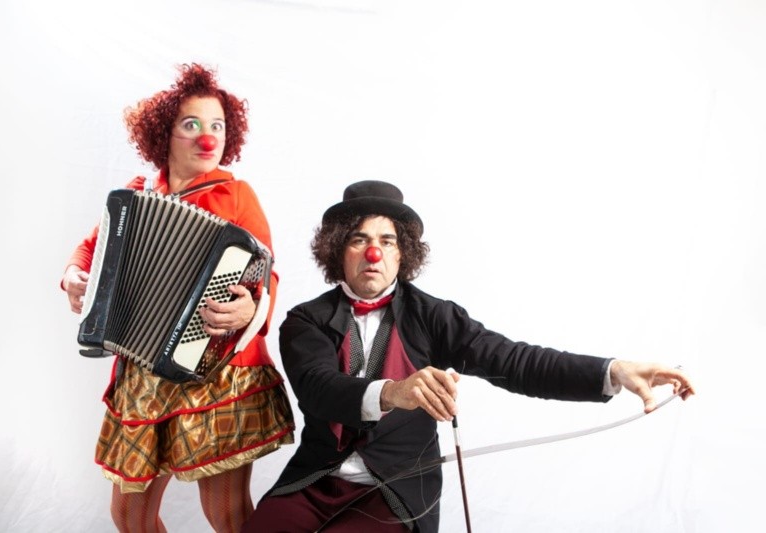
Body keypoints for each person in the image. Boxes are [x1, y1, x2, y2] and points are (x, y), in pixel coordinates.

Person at [243, 180, 695, 532]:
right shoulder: (305, 320)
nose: (374, 253)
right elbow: (319, 389)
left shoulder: (434, 316)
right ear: (338, 250)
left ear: (403, 254)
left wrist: (612, 370)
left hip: (396, 489)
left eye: (388, 241)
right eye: (359, 240)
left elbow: (515, 361)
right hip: (316, 480)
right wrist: (394, 392)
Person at [61, 64, 294, 533]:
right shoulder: (135, 197)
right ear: (163, 134)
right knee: (130, 515)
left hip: (218, 371)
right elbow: (90, 248)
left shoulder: (237, 196)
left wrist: (251, 307)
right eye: (192, 125)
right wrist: (73, 277)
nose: (208, 138)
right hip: (143, 376)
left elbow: (266, 273)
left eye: (218, 126)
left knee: (225, 513)